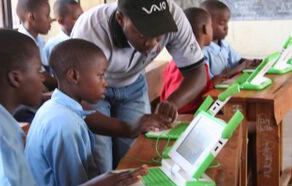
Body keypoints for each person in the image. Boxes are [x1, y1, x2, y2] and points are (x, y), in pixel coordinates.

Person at [0, 29, 148, 186]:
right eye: (38, 71)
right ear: (16, 78)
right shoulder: (62, 123)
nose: (43, 79)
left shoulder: (7, 121)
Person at [72, 0, 207, 172]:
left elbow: (197, 73)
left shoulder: (173, 17)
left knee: (136, 157)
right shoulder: (91, 31)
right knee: (101, 162)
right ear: (121, 19)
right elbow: (78, 100)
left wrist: (172, 102)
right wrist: (128, 128)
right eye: (143, 34)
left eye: (158, 35)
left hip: (134, 84)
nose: (151, 43)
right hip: (92, 91)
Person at [25, 39, 169, 186]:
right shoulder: (65, 124)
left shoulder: (56, 108)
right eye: (100, 75)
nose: (106, 83)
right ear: (74, 76)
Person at [161, 7, 214, 114]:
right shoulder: (185, 67)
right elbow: (176, 108)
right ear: (205, 29)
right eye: (211, 26)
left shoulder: (195, 62)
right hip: (185, 120)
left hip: (199, 114)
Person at [201, 0, 261, 81]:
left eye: (227, 23)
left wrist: (251, 62)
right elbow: (212, 82)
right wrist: (241, 67)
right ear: (206, 26)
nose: (226, 27)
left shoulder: (224, 44)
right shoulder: (203, 52)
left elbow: (238, 60)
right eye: (222, 23)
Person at [16, 0, 56, 90]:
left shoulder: (39, 40)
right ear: (32, 17)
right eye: (47, 15)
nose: (51, 19)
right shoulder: (23, 44)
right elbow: (45, 78)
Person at [43, 0, 83, 65]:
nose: (82, 21)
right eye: (77, 18)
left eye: (83, 17)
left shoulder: (85, 38)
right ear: (61, 21)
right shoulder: (52, 45)